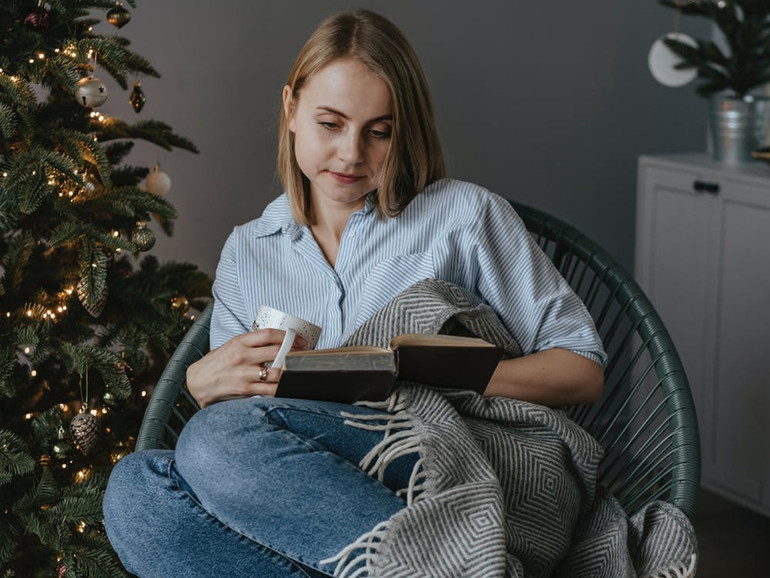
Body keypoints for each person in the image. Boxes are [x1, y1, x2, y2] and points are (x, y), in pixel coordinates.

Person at [103, 9, 606, 578]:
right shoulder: (250, 251)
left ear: (404, 130)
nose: (350, 154)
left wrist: (432, 374)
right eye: (330, 124)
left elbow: (582, 371)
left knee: (213, 442)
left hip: (462, 465)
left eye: (379, 131)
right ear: (291, 109)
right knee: (135, 493)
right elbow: (251, 447)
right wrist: (206, 384)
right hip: (323, 500)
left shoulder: (463, 216)